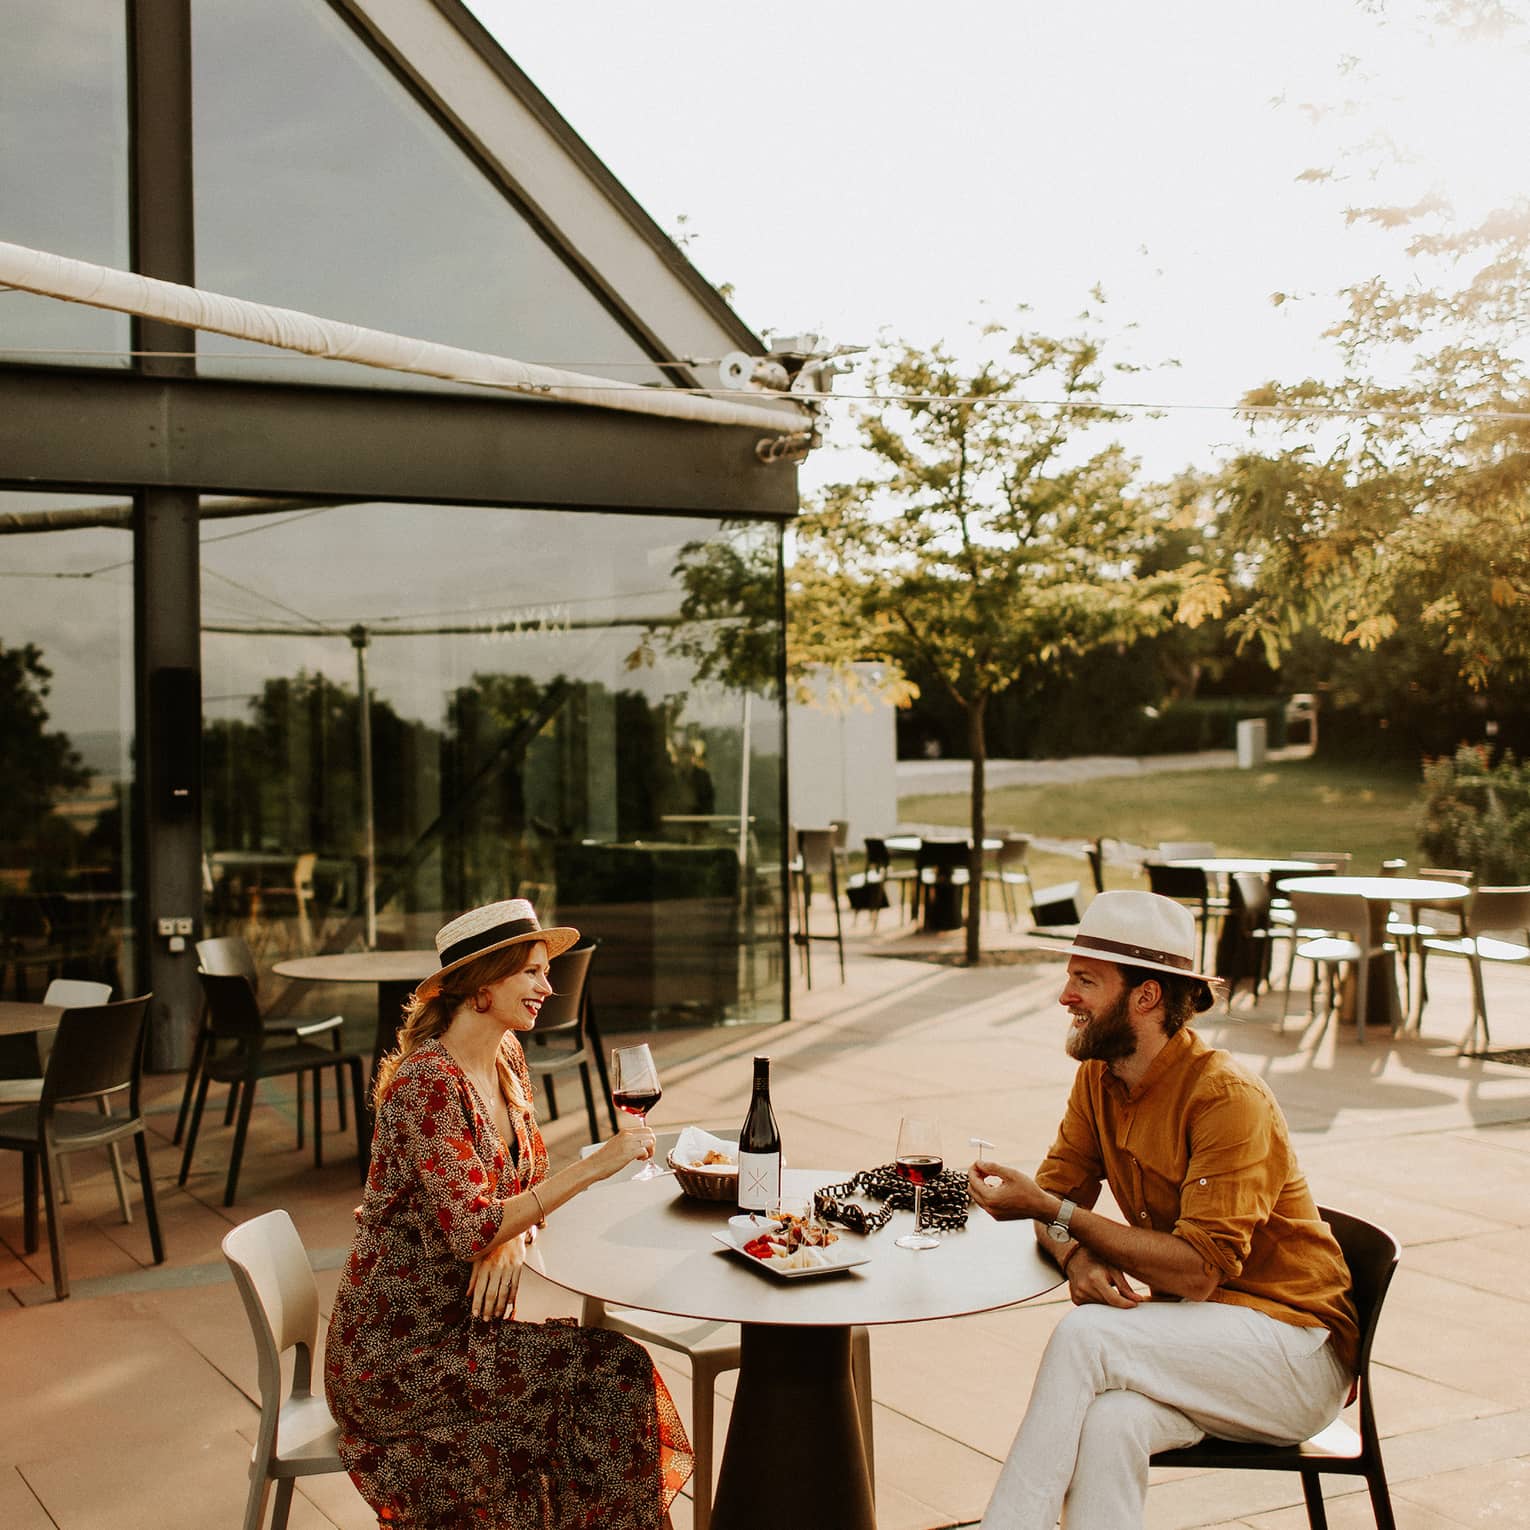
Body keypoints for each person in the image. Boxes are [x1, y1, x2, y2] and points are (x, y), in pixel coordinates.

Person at [968, 890, 1358, 1530]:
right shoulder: (1100, 1077)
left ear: (1145, 996)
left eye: (1085, 980)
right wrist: (1077, 1254)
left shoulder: (1226, 1097)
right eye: (1070, 977)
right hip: (1210, 1341)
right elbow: (1056, 1197)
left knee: (1085, 1336)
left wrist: (1055, 1214)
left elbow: (1198, 1271)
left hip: (1294, 1356)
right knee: (1109, 1419)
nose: (1065, 996)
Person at [324, 899, 692, 1530]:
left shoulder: (506, 1060)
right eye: (531, 972)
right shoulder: (427, 1083)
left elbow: (518, 1188)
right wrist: (598, 1164)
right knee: (613, 1373)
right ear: (480, 985)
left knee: (609, 1374)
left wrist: (508, 1240)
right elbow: (474, 1223)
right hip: (401, 1352)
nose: (548, 987)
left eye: (546, 971)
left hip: (468, 1329)